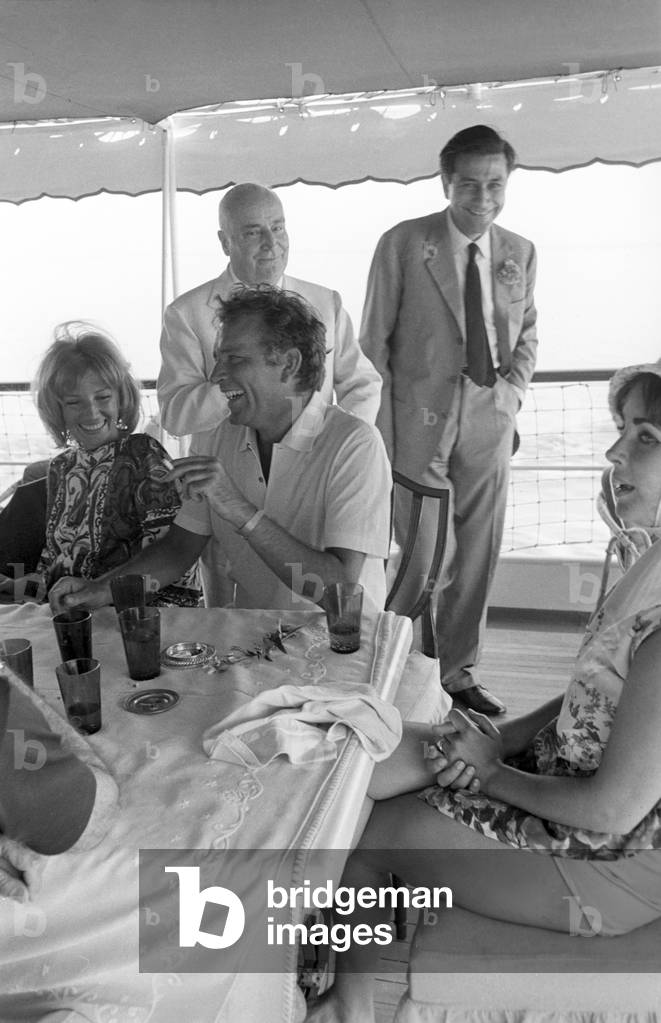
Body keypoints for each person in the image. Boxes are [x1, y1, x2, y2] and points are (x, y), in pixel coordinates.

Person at [307, 360, 661, 1023]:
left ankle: (347, 1003)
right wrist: (502, 737)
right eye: (621, 429)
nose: (614, 450)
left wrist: (488, 772)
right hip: (558, 788)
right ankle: (324, 968)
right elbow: (593, 701)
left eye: (645, 437)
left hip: (606, 863)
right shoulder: (643, 563)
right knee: (357, 764)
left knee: (366, 829)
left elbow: (611, 810)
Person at [50, 288, 391, 615]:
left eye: (235, 359)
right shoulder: (216, 436)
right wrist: (100, 589)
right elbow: (178, 550)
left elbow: (340, 594)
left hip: (342, 645)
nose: (215, 376)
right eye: (218, 359)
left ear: (288, 363)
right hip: (255, 643)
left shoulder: (355, 444)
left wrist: (240, 511)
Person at [359, 125, 539, 715]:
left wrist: (511, 394)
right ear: (445, 182)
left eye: (495, 184)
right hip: (416, 424)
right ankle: (403, 671)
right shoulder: (405, 244)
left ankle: (458, 674)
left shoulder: (520, 252)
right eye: (469, 183)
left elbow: (528, 332)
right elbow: (373, 345)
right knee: (422, 558)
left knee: (479, 553)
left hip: (490, 417)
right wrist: (379, 436)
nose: (483, 197)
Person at [157, 181, 381, 445]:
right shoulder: (185, 314)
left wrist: (338, 442)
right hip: (225, 475)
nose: (271, 242)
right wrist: (231, 386)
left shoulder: (326, 303)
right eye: (253, 233)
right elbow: (174, 415)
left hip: (313, 470)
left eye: (278, 228)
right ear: (225, 242)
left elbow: (362, 385)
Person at [28, 323, 197, 605]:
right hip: (73, 615)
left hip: (137, 621)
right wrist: (31, 593)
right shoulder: (60, 467)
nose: (92, 412)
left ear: (121, 398)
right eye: (74, 402)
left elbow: (175, 562)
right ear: (56, 409)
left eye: (103, 397)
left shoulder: (143, 453)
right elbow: (54, 558)